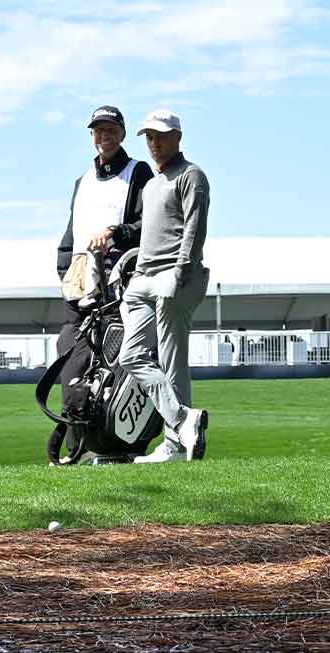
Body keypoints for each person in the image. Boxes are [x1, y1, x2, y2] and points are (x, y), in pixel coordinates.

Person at [120, 109, 210, 463]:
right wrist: (130, 264)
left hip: (175, 278)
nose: (154, 144)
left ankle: (174, 446)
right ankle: (183, 421)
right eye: (149, 138)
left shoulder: (191, 176)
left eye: (160, 136)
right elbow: (150, 235)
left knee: (173, 365)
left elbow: (194, 228)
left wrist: (180, 270)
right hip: (143, 280)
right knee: (131, 356)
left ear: (178, 137)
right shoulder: (152, 185)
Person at [55, 105, 154, 354]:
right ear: (91, 136)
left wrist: (114, 232)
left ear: (122, 135)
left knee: (117, 361)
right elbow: (71, 235)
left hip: (121, 285)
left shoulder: (138, 172)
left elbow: (151, 225)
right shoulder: (83, 181)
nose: (104, 136)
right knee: (71, 357)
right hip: (79, 288)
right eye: (98, 131)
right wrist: (65, 271)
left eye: (111, 130)